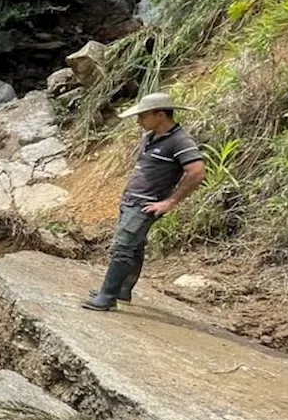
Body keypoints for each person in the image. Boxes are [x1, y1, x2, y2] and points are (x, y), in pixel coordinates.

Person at [82, 92, 206, 312]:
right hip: (132, 199)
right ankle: (121, 290)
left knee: (122, 247)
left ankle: (107, 296)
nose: (139, 121)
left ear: (160, 115)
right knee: (135, 246)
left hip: (146, 204)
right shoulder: (150, 137)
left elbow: (196, 172)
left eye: (143, 116)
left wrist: (169, 202)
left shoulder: (180, 141)